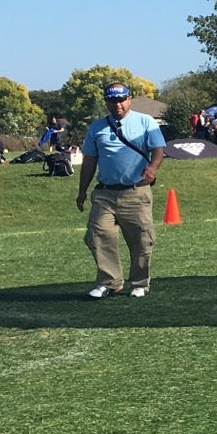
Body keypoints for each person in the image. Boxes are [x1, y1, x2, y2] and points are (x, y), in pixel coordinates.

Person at [77, 81, 166, 298]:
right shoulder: (96, 127)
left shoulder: (146, 122)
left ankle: (139, 283)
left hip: (136, 190)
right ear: (106, 101)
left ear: (129, 99)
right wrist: (82, 191)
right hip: (105, 192)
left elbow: (158, 150)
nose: (117, 104)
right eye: (112, 100)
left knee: (141, 239)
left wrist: (152, 168)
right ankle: (110, 282)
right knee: (98, 234)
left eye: (121, 99)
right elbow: (89, 160)